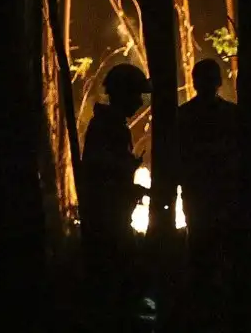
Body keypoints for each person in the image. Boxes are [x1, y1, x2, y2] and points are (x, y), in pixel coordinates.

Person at [177, 59, 248, 327]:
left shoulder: (185, 115)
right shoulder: (231, 115)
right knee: (214, 253)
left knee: (205, 252)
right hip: (216, 197)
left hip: (210, 197)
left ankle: (206, 308)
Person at [79, 63, 150, 329]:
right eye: (137, 94)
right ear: (124, 94)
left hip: (111, 221)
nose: (141, 101)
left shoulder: (111, 125)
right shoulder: (109, 127)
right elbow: (103, 176)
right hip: (108, 225)